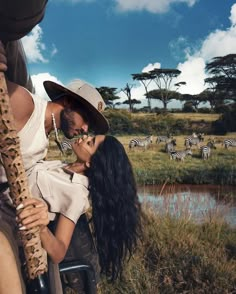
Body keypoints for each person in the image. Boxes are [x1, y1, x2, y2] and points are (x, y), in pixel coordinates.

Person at [0, 39, 109, 293]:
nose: (84, 129)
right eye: (87, 120)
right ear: (69, 102)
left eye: (89, 130)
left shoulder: (47, 137)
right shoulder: (26, 105)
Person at [16, 135, 141, 292]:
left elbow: (58, 253)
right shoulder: (62, 165)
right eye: (91, 136)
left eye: (90, 142)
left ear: (90, 163)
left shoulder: (76, 193)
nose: (84, 137)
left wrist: (42, 228)